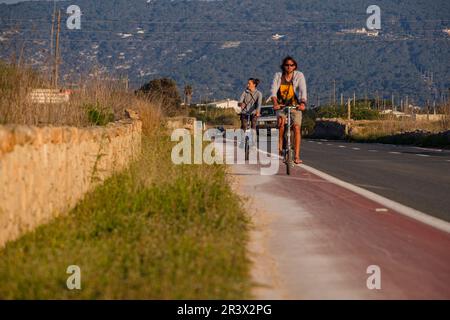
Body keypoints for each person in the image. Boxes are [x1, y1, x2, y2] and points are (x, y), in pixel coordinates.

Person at [270, 56, 307, 164]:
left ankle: (296, 155)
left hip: (296, 105)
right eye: (287, 65)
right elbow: (273, 91)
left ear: (295, 66)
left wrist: (303, 103)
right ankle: (280, 147)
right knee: (281, 124)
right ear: (283, 66)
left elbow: (302, 90)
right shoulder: (278, 76)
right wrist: (275, 103)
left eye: (291, 65)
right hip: (281, 105)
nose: (289, 67)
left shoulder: (299, 75)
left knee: (296, 127)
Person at [238, 78, 263, 147]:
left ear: (254, 85)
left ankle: (254, 143)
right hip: (244, 112)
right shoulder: (245, 92)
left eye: (249, 83)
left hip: (254, 112)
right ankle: (242, 141)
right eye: (248, 83)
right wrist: (241, 104)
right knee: (243, 126)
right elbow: (240, 101)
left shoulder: (259, 94)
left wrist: (257, 112)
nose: (247, 85)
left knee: (253, 126)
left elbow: (259, 104)